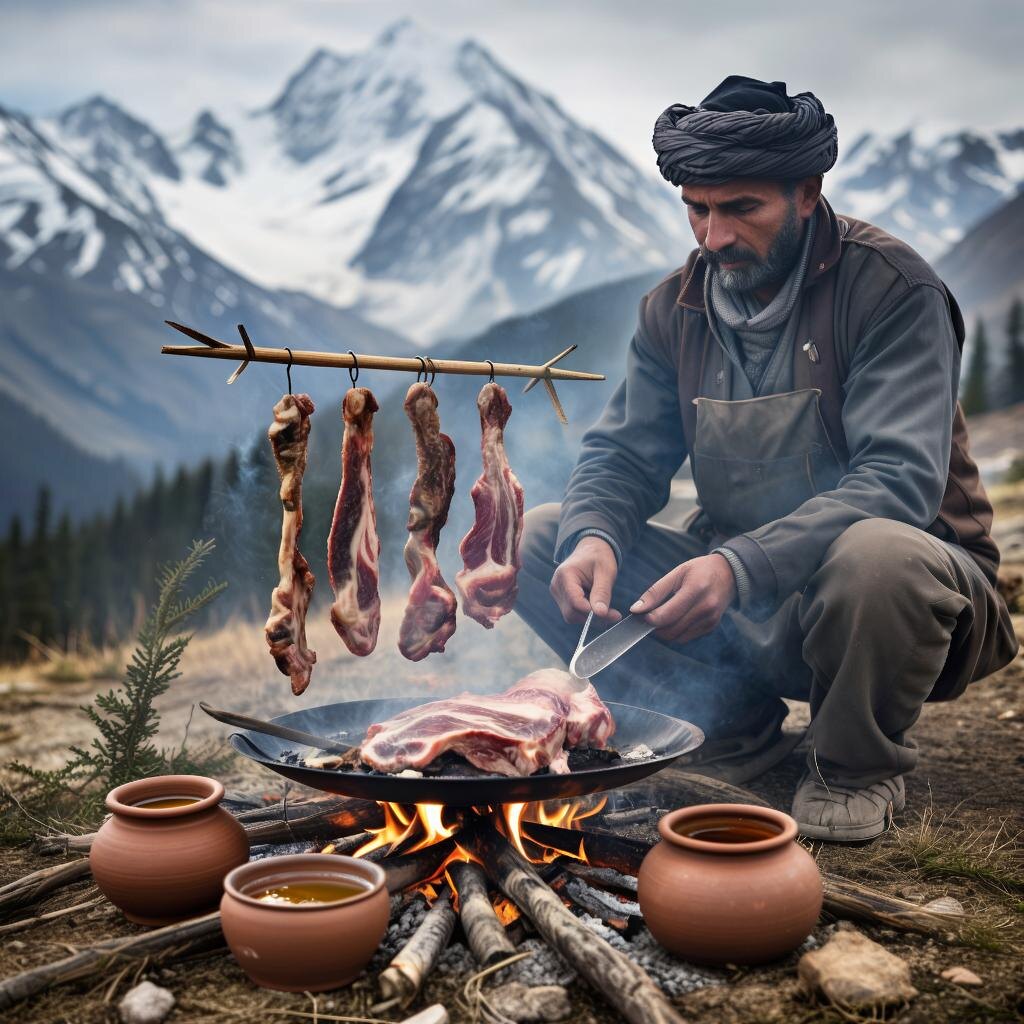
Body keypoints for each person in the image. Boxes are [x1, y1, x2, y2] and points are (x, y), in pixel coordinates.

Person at [514, 75, 1018, 842]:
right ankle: (732, 731)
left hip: (897, 605)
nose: (713, 236)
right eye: (698, 209)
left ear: (807, 193)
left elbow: (898, 481)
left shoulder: (893, 290)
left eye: (741, 208)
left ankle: (855, 764)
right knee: (540, 537)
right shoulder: (672, 309)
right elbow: (621, 455)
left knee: (877, 556)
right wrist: (594, 535)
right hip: (739, 607)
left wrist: (739, 567)